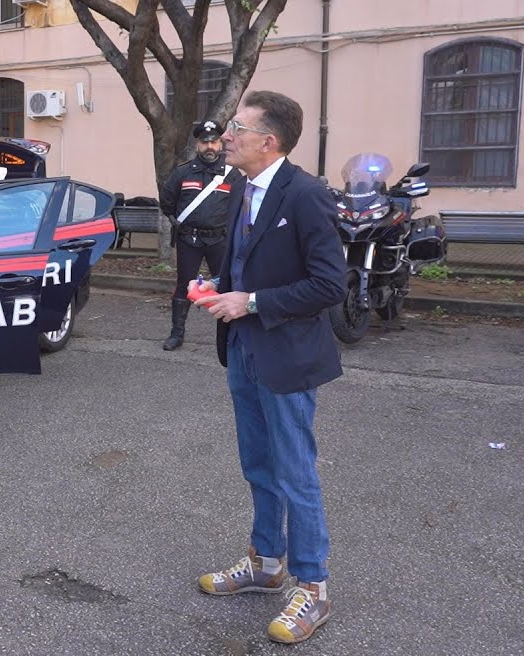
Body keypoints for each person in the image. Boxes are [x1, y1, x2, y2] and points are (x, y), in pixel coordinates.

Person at [193, 91, 347, 644]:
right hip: (241, 349)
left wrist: (252, 301)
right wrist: (219, 289)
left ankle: (313, 587)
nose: (226, 135)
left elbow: (331, 285)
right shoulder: (242, 188)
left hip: (286, 354)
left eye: (238, 127)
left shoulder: (306, 195)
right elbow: (245, 264)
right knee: (258, 464)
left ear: (269, 141)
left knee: (295, 471)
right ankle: (266, 562)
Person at [157, 120, 241, 350]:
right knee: (183, 285)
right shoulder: (183, 173)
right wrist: (182, 225)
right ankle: (176, 333)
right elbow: (167, 203)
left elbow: (241, 206)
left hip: (220, 239)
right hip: (189, 239)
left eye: (214, 141)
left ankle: (229, 336)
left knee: (225, 285)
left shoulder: (233, 175)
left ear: (220, 143)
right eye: (205, 143)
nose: (210, 147)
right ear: (197, 145)